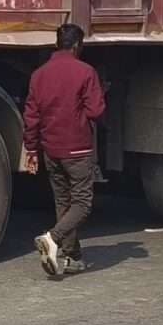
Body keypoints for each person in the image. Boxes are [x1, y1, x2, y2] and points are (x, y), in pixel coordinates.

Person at [25, 23, 106, 279]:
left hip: (50, 149)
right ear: (77, 45)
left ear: (57, 44)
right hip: (78, 148)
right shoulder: (86, 72)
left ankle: (74, 257)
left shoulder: (39, 75)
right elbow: (96, 111)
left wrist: (31, 149)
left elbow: (31, 116)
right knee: (82, 203)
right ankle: (53, 239)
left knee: (64, 202)